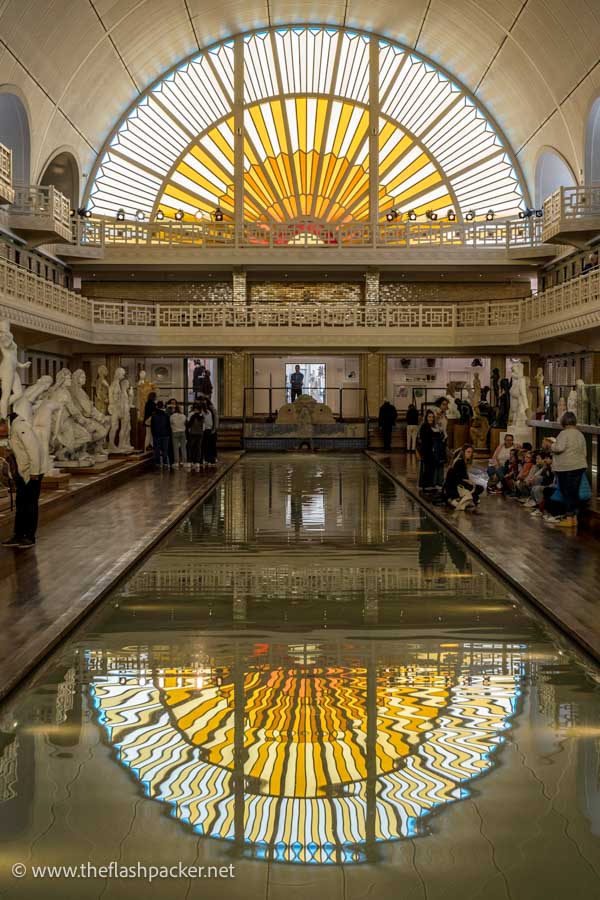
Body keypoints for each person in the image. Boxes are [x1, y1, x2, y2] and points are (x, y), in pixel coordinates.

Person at [2, 412, 44, 548]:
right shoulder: (13, 428)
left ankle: (29, 537)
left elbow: (34, 449)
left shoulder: (20, 426)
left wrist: (34, 473)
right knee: (21, 504)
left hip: (32, 472)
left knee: (30, 504)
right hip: (23, 472)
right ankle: (18, 535)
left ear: (3, 424)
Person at [550, 411, 588, 527]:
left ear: (563, 421)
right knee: (574, 492)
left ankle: (569, 518)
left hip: (566, 467)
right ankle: (574, 518)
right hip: (579, 466)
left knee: (567, 492)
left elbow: (559, 448)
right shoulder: (580, 434)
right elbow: (584, 452)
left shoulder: (564, 433)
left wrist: (550, 445)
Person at [443, 444, 483, 509]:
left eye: (471, 452)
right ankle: (459, 499)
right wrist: (471, 483)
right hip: (454, 487)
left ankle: (463, 499)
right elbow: (460, 479)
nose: (470, 454)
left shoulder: (460, 461)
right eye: (468, 452)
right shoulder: (460, 462)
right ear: (463, 452)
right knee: (479, 488)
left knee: (476, 488)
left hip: (453, 485)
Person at [417, 409, 446, 491]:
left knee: (431, 468)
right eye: (429, 417)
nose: (431, 419)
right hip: (427, 450)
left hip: (433, 451)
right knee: (426, 468)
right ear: (426, 417)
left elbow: (440, 436)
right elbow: (426, 438)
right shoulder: (424, 426)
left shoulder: (433, 427)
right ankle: (425, 484)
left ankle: (430, 483)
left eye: (432, 417)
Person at [150, 400, 171, 468]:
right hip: (165, 434)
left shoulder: (154, 415)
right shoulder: (166, 415)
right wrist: (168, 433)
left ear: (157, 406)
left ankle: (157, 462)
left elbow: (152, 426)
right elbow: (168, 425)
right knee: (165, 449)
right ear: (163, 406)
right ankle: (165, 462)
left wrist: (153, 433)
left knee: (157, 449)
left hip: (156, 434)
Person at [187, 402, 205, 471]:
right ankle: (197, 462)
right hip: (200, 434)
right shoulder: (202, 416)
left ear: (196, 409)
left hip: (193, 433)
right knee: (198, 448)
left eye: (195, 409)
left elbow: (189, 425)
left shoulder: (193, 416)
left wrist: (186, 423)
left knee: (190, 447)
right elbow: (203, 426)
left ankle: (190, 461)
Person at [169, 402, 187, 467]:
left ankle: (176, 462)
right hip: (182, 432)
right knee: (183, 447)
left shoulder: (172, 416)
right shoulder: (183, 416)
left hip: (175, 432)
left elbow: (171, 423)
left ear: (174, 409)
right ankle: (184, 462)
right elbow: (185, 423)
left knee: (175, 448)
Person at [205, 398, 219, 466]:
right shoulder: (211, 410)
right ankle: (210, 458)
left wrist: (214, 429)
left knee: (211, 445)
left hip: (211, 430)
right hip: (210, 430)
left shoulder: (212, 411)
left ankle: (212, 458)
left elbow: (215, 421)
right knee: (210, 445)